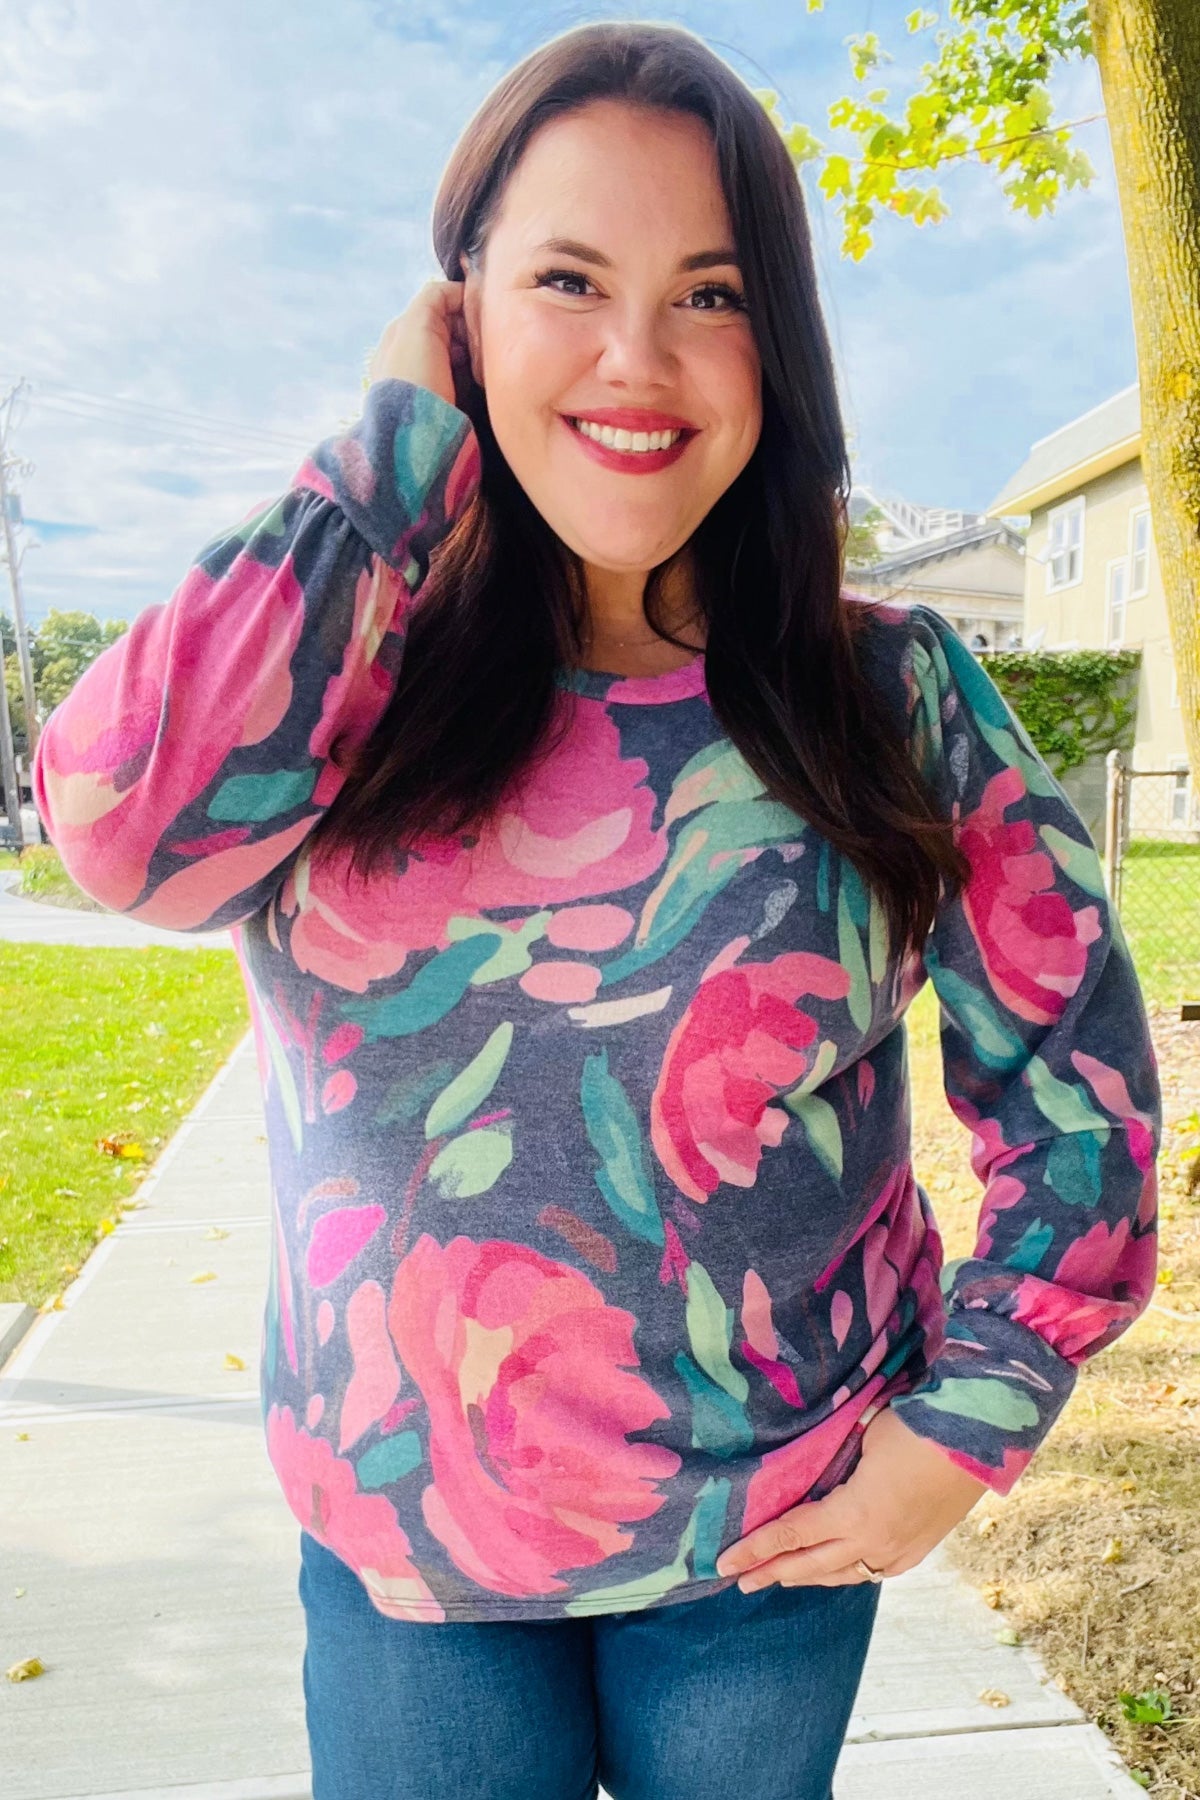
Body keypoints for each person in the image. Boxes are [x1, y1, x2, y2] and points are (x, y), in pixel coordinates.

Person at [32, 20, 1161, 1800]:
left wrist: (966, 1430)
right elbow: (114, 835)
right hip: (407, 1557)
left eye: (713, 294)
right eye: (567, 279)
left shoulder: (899, 696)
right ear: (459, 309)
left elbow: (1080, 1105)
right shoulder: (344, 665)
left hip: (772, 1547)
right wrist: (390, 458)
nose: (639, 356)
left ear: (780, 347)